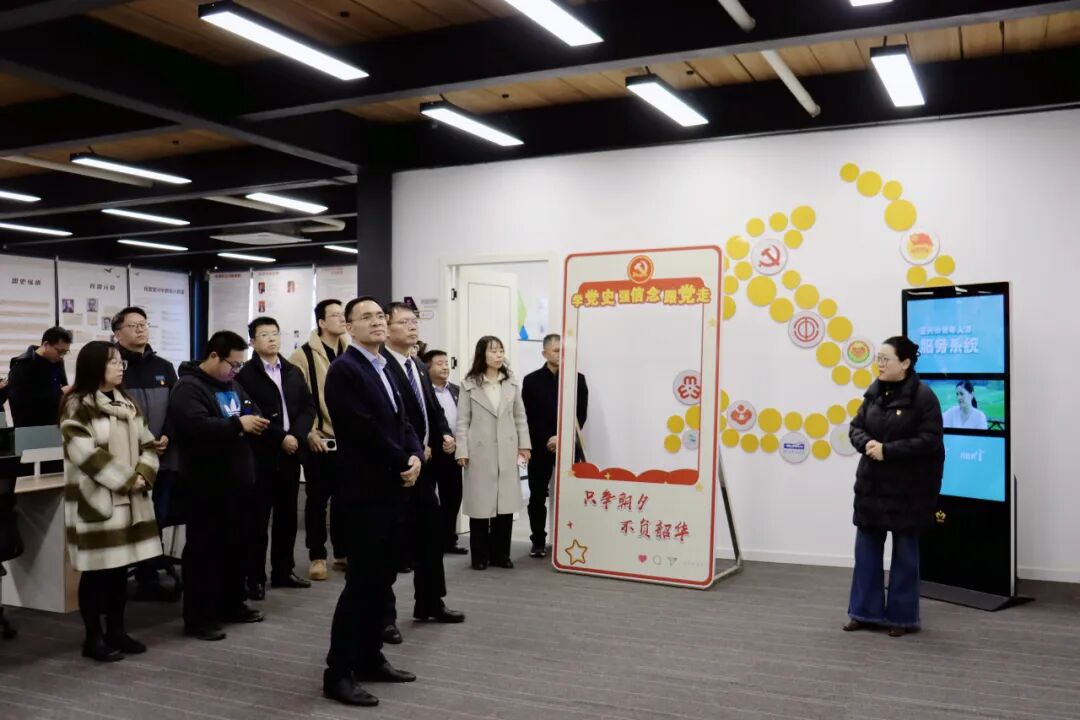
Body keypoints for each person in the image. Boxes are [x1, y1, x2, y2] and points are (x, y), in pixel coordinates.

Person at [322, 297, 421, 707]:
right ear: (349, 326)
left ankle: (369, 658)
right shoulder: (345, 370)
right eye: (367, 317)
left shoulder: (385, 366)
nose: (378, 322)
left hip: (392, 489)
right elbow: (363, 430)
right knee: (360, 585)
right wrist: (402, 461)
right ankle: (338, 672)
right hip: (364, 493)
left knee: (381, 582)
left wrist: (415, 454)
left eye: (381, 316)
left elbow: (405, 420)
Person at [59, 341, 162, 661]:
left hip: (131, 501)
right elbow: (85, 453)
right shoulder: (77, 404)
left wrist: (143, 474)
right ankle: (93, 638)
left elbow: (148, 445)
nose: (120, 367)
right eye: (113, 362)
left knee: (120, 570)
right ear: (95, 367)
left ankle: (117, 630)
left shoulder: (127, 402)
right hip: (97, 500)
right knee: (96, 572)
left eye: (121, 363)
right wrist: (128, 479)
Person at [168, 331, 269, 642]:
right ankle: (199, 617)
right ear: (214, 356)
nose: (236, 371)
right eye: (232, 364)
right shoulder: (189, 388)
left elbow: (252, 410)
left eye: (240, 365)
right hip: (206, 484)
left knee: (237, 548)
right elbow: (195, 428)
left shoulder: (232, 384)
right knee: (205, 553)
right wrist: (238, 424)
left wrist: (249, 421)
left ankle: (232, 604)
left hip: (238, 481)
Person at [846, 336, 944, 638]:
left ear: (905, 363)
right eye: (878, 358)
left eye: (885, 359)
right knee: (866, 553)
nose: (879, 364)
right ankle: (864, 613)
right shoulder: (873, 392)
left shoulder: (924, 397)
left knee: (905, 556)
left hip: (908, 490)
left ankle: (902, 618)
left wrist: (888, 451)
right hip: (872, 487)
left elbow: (930, 441)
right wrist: (868, 444)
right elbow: (856, 428)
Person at [381, 303, 464, 639]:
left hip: (424, 467)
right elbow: (388, 420)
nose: (412, 327)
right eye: (404, 322)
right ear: (387, 328)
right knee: (390, 545)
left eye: (414, 321)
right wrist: (412, 451)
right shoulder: (381, 365)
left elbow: (433, 409)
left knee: (431, 534)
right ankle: (383, 617)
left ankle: (429, 601)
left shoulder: (416, 363)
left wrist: (443, 433)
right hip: (395, 468)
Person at [237, 317, 316, 598]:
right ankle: (254, 577)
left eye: (275, 333)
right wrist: (281, 437)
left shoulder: (292, 370)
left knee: (287, 516)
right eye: (264, 334)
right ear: (252, 341)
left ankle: (283, 571)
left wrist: (296, 435)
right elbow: (250, 412)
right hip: (262, 454)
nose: (272, 339)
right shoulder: (245, 375)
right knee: (258, 520)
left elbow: (308, 406)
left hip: (291, 454)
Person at [112, 307, 178, 601]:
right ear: (117, 333)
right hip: (129, 461)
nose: (140, 329)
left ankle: (148, 578)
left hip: (163, 457)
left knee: (156, 519)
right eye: (133, 325)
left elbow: (176, 407)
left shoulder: (164, 366)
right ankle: (120, 582)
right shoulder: (112, 367)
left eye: (143, 324)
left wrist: (168, 435)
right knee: (129, 521)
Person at [455, 336, 531, 570]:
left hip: (507, 449)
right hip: (479, 451)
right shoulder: (469, 384)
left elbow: (520, 417)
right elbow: (462, 421)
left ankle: (501, 554)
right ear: (482, 355)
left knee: (505, 506)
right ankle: (480, 556)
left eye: (501, 351)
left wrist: (524, 445)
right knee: (480, 506)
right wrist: (461, 450)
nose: (498, 355)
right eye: (493, 351)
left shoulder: (511, 383)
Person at [288, 299, 349, 581]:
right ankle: (317, 555)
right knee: (317, 501)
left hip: (348, 441)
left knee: (345, 499)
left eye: (343, 314)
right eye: (335, 315)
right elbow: (296, 399)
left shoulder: (350, 351)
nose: (341, 319)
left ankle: (342, 552)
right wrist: (309, 431)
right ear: (322, 322)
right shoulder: (302, 356)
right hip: (319, 439)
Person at [521, 333, 588, 558]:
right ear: (545, 353)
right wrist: (547, 439)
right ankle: (538, 541)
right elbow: (527, 417)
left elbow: (580, 415)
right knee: (537, 496)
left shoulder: (577, 379)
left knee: (570, 494)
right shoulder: (531, 380)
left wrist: (561, 437)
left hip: (568, 446)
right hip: (540, 447)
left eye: (564, 350)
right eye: (557, 350)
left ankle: (568, 539)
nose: (561, 354)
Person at [421, 349, 467, 554]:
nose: (445, 367)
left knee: (453, 497)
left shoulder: (457, 390)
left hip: (452, 450)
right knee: (428, 499)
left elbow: (465, 421)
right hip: (429, 452)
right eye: (439, 363)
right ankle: (429, 542)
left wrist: (457, 442)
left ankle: (448, 539)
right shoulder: (423, 391)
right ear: (427, 367)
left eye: (447, 363)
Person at [7, 326, 72, 427]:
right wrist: (60, 393)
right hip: (30, 428)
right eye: (60, 351)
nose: (61, 356)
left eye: (65, 352)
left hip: (55, 425)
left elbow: (63, 388)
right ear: (46, 345)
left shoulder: (57, 363)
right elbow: (21, 401)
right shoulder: (22, 365)